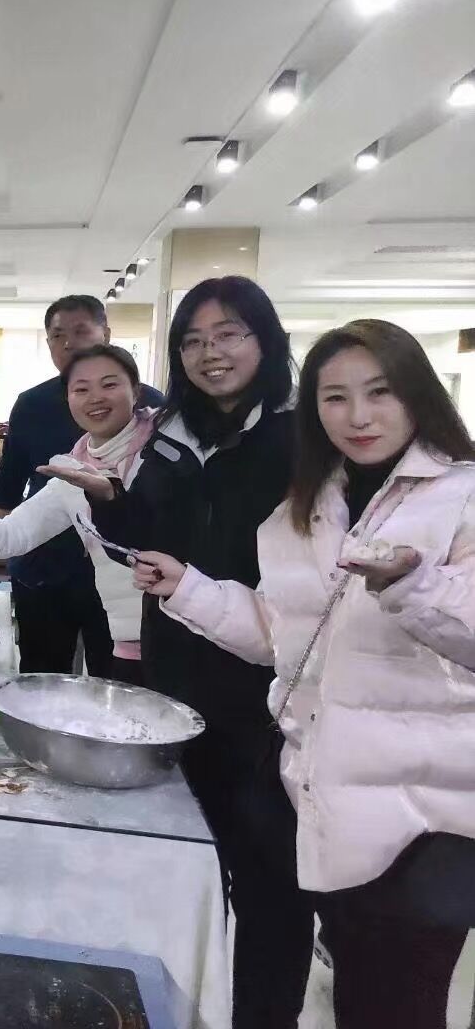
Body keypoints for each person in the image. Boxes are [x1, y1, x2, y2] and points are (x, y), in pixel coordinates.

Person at [134, 320, 475, 1029]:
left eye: (380, 392)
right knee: (287, 965)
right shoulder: (307, 507)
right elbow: (282, 636)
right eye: (335, 397)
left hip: (420, 819)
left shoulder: (463, 496)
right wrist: (187, 587)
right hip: (307, 789)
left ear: (418, 394)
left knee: (392, 1006)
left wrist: (413, 586)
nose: (358, 416)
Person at [43, 276, 308, 1029]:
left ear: (266, 340)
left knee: (270, 884)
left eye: (228, 335)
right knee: (186, 858)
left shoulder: (297, 437)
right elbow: (153, 538)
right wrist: (109, 502)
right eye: (192, 340)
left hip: (265, 694)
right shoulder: (171, 434)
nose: (209, 353)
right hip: (174, 676)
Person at [0, 345, 154, 685]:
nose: (95, 397)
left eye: (109, 384)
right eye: (81, 389)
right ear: (68, 399)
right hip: (127, 640)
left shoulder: (166, 452)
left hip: (181, 630)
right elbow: (7, 538)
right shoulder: (74, 472)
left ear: (136, 391)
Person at [0, 294, 163, 677]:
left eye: (81, 331)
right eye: (57, 335)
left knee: (114, 680)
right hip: (43, 568)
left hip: (122, 579)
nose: (68, 343)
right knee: (40, 677)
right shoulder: (32, 405)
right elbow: (8, 486)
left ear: (106, 334)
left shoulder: (152, 410)